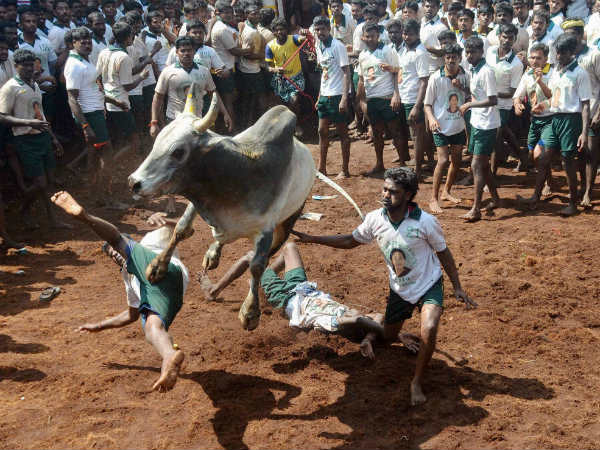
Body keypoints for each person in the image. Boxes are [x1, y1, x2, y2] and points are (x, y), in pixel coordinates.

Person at [293, 166, 476, 406]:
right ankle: (380, 334)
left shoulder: (426, 222)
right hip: (400, 290)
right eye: (385, 189)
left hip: (429, 284)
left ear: (408, 195)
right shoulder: (374, 219)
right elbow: (350, 240)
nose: (386, 195)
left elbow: (444, 253)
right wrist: (314, 239)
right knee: (388, 337)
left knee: (429, 327)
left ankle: (416, 382)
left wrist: (457, 287)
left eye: (393, 192)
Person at [50, 192, 188, 392]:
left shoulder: (148, 242)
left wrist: (165, 220)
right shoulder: (128, 278)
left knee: (117, 240)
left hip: (165, 267)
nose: (114, 255)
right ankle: (170, 356)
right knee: (151, 328)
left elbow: (186, 228)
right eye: (111, 255)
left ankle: (84, 216)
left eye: (114, 251)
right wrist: (99, 325)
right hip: (169, 292)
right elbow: (131, 314)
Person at [200, 241, 416, 359]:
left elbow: (361, 320)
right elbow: (376, 317)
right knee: (290, 247)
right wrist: (376, 338)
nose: (355, 312)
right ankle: (259, 282)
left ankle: (214, 291)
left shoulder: (337, 323)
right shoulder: (356, 322)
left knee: (250, 256)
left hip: (285, 298)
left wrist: (392, 337)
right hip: (303, 288)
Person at [520, 33, 591, 216]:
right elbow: (554, 98)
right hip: (555, 118)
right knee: (543, 158)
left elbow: (585, 104)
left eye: (563, 53)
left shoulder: (580, 73)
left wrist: (584, 132)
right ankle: (535, 196)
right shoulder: (557, 72)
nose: (559, 56)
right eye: (557, 52)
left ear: (572, 52)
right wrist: (542, 105)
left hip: (571, 120)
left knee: (568, 161)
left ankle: (573, 203)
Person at [0, 48, 70, 229]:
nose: (30, 69)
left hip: (42, 137)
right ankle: (23, 210)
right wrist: (28, 122)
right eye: (25, 66)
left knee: (49, 181)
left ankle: (52, 219)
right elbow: (2, 116)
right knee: (40, 183)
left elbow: (41, 115)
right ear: (16, 66)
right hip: (25, 139)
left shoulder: (35, 85)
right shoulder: (10, 88)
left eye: (32, 65)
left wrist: (53, 138)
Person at [64, 27, 118, 205]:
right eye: (83, 42)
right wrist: (85, 126)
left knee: (93, 155)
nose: (87, 45)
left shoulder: (84, 60)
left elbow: (93, 88)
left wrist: (115, 103)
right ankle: (105, 196)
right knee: (106, 153)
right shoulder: (74, 65)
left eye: (89, 42)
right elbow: (72, 98)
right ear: (73, 43)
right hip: (90, 114)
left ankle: (95, 194)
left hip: (95, 112)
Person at [459, 35, 501, 222]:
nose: (469, 55)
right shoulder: (473, 69)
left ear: (481, 52)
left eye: (473, 52)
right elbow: (478, 94)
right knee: (482, 165)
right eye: (467, 52)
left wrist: (469, 104)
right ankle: (496, 198)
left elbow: (493, 100)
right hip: (477, 121)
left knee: (476, 164)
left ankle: (476, 208)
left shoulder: (486, 71)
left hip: (487, 124)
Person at [424, 43, 469, 214]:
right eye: (448, 57)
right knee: (442, 161)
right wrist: (431, 119)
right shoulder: (436, 77)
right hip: (440, 126)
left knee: (456, 161)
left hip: (458, 125)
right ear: (444, 58)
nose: (451, 60)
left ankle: (446, 192)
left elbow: (471, 95)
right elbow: (427, 104)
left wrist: (461, 87)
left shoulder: (466, 75)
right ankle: (433, 199)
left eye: (454, 57)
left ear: (460, 58)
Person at [561, 18, 600, 209]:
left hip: (592, 110)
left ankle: (588, 192)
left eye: (571, 35)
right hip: (573, 112)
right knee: (578, 154)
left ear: (579, 34)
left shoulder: (594, 55)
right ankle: (582, 186)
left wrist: (599, 112)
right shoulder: (565, 55)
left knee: (591, 153)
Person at [357, 23, 403, 175]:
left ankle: (402, 164)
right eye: (367, 36)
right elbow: (361, 79)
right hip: (372, 99)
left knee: (395, 131)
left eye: (373, 36)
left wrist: (396, 94)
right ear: (363, 37)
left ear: (378, 36)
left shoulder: (387, 50)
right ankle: (379, 164)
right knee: (376, 133)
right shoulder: (362, 55)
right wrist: (361, 101)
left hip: (387, 97)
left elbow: (397, 72)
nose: (370, 39)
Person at [96, 22, 149, 157]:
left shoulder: (104, 52)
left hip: (107, 100)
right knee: (134, 139)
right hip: (120, 102)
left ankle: (118, 160)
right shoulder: (124, 57)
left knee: (118, 135)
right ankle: (117, 162)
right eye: (132, 36)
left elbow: (98, 76)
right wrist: (141, 77)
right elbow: (127, 86)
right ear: (128, 38)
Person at [313, 15, 352, 178]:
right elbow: (324, 73)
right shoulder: (318, 45)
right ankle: (321, 167)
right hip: (325, 95)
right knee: (322, 131)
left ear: (329, 29)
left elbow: (346, 72)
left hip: (337, 95)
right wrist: (319, 96)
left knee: (343, 133)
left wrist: (344, 98)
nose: (319, 32)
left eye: (322, 29)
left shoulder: (338, 46)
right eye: (317, 30)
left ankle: (345, 169)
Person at [513, 42, 554, 196]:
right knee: (534, 156)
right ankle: (549, 181)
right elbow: (518, 95)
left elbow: (553, 96)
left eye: (538, 58)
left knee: (539, 155)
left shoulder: (552, 73)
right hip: (535, 120)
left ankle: (540, 191)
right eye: (532, 57)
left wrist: (540, 81)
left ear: (546, 59)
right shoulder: (527, 74)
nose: (534, 61)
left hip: (550, 120)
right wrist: (517, 105)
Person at [485, 23, 525, 174]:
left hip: (503, 105)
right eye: (504, 37)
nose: (507, 40)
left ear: (515, 39)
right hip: (486, 102)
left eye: (511, 38)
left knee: (496, 137)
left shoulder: (516, 64)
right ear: (499, 36)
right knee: (504, 132)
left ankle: (491, 174)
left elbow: (512, 92)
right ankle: (523, 156)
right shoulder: (490, 51)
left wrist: (492, 93)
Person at [394, 18, 429, 178]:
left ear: (417, 34)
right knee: (402, 133)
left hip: (414, 99)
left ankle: (418, 170)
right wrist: (396, 94)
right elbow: (399, 73)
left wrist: (417, 106)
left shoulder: (420, 53)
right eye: (405, 33)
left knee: (417, 136)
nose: (407, 37)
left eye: (411, 34)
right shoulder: (403, 50)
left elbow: (424, 81)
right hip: (402, 97)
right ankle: (408, 165)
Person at [265, 17, 307, 136]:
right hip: (280, 79)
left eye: (282, 29)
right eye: (276, 30)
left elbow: (302, 38)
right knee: (281, 105)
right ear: (273, 32)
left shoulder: (293, 39)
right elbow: (268, 67)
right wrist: (275, 69)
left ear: (286, 29)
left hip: (295, 78)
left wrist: (304, 34)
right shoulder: (270, 46)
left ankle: (296, 124)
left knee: (294, 101)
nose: (279, 32)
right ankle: (285, 127)